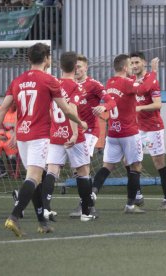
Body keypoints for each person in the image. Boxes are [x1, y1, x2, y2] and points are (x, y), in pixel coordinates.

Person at [0, 42, 87, 237]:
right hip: (39, 136)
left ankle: (42, 222)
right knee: (33, 178)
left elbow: (2, 109)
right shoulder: (49, 80)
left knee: (37, 179)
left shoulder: (17, 80)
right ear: (48, 59)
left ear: (28, 59)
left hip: (22, 136)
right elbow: (66, 109)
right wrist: (80, 122)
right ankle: (14, 217)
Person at [91, 54, 159, 214]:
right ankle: (130, 205)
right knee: (136, 166)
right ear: (124, 67)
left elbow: (132, 87)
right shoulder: (127, 82)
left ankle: (91, 194)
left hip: (113, 133)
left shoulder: (110, 82)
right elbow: (143, 89)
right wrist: (154, 72)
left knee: (107, 166)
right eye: (130, 65)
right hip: (129, 133)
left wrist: (138, 81)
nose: (132, 68)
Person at [41, 51, 98, 222]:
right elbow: (72, 109)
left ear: (60, 66)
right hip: (74, 136)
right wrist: (75, 131)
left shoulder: (53, 83)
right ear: (75, 67)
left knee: (52, 171)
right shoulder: (76, 87)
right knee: (83, 172)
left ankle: (45, 209)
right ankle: (86, 213)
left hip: (55, 134)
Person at [68, 54, 117, 218]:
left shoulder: (94, 85)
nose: (77, 69)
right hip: (73, 131)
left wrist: (103, 107)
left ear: (86, 68)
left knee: (82, 167)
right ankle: (87, 203)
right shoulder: (68, 84)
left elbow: (112, 101)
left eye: (80, 66)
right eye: (75, 66)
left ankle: (87, 206)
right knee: (76, 169)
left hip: (89, 131)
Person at [130, 51, 166, 211]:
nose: (134, 66)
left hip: (153, 128)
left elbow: (158, 104)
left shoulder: (151, 80)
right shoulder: (132, 81)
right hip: (137, 128)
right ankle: (138, 195)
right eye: (132, 63)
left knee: (158, 162)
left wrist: (140, 107)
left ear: (144, 63)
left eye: (137, 63)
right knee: (132, 161)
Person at [0, 103, 18, 179]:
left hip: (15, 137)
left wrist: (11, 135)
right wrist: (1, 134)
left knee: (9, 145)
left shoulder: (20, 112)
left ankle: (13, 171)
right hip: (4, 136)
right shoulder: (4, 113)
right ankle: (0, 171)